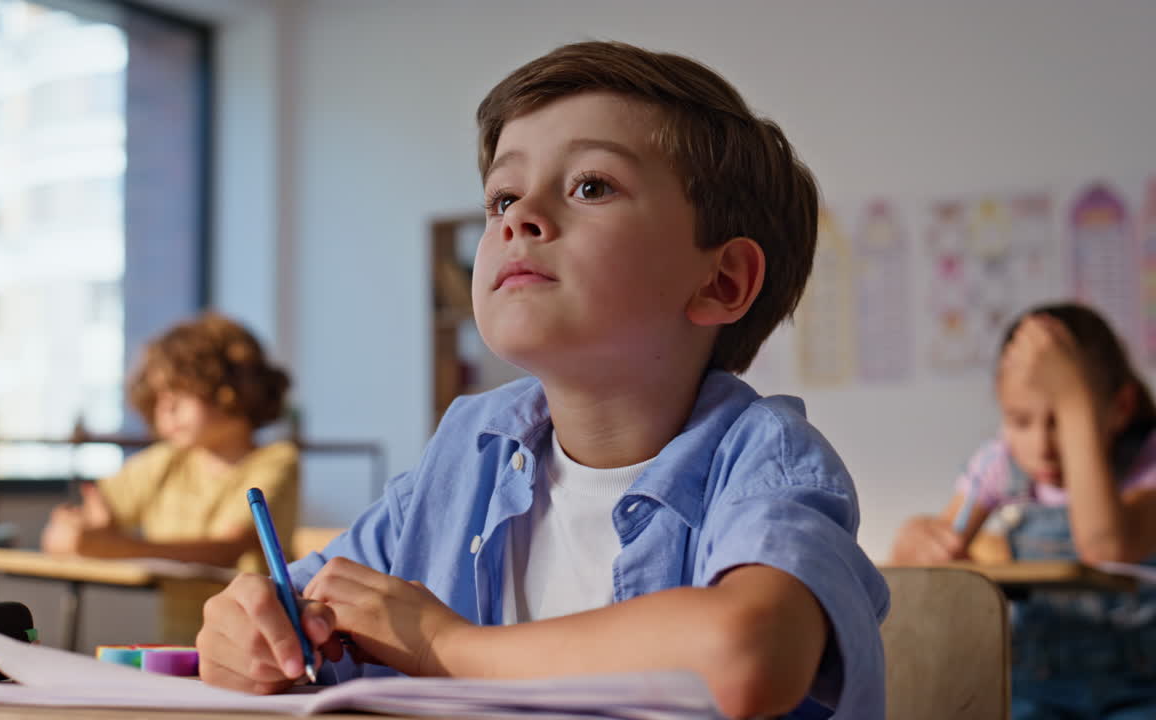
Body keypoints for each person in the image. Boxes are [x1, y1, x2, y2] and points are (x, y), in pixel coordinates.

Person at [197, 41, 887, 719]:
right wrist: (250, 630)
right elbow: (303, 611)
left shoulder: (766, 458)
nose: (518, 218)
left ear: (722, 281)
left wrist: (447, 645)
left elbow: (745, 654)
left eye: (591, 186)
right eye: (502, 197)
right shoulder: (470, 450)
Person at [889, 302, 1156, 718]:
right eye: (1020, 420)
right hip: (1037, 690)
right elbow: (932, 570)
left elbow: (1105, 545)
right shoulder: (999, 465)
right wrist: (915, 540)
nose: (1043, 445)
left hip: (1139, 690)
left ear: (1120, 408)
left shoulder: (1146, 465)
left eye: (1062, 419)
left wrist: (1073, 393)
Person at [41, 311, 297, 643]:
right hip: (177, 650)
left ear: (232, 388)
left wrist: (110, 546)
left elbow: (226, 549)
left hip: (257, 645)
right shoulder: (168, 461)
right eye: (160, 396)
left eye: (180, 392)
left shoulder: (275, 461)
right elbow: (66, 535)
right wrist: (82, 530)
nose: (165, 409)